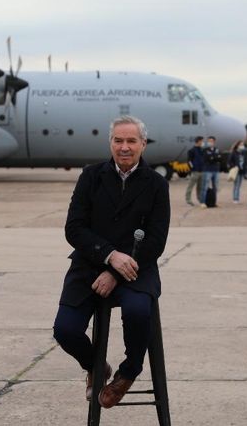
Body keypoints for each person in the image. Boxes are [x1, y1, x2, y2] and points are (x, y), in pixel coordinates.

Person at [53, 115, 170, 408]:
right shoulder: (91, 176)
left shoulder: (156, 184)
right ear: (111, 143)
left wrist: (117, 272)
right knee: (65, 330)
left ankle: (128, 373)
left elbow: (156, 241)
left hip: (136, 267)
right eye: (118, 140)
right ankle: (95, 366)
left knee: (137, 311)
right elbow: (74, 228)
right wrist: (109, 256)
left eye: (131, 141)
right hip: (89, 264)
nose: (125, 147)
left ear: (143, 144)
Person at [199, 136, 221, 208]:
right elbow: (207, 158)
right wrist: (214, 157)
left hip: (216, 170)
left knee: (215, 187)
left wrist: (213, 157)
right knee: (205, 186)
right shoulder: (205, 150)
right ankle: (202, 202)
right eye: (209, 141)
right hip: (207, 170)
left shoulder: (217, 149)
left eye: (211, 141)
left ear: (214, 142)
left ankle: (213, 202)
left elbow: (219, 158)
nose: (210, 142)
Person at [184, 136, 204, 206]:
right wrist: (193, 169)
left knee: (200, 187)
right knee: (190, 186)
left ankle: (200, 199)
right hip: (195, 172)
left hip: (201, 171)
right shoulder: (192, 150)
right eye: (202, 141)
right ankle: (188, 200)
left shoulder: (202, 150)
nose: (202, 142)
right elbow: (189, 161)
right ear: (198, 141)